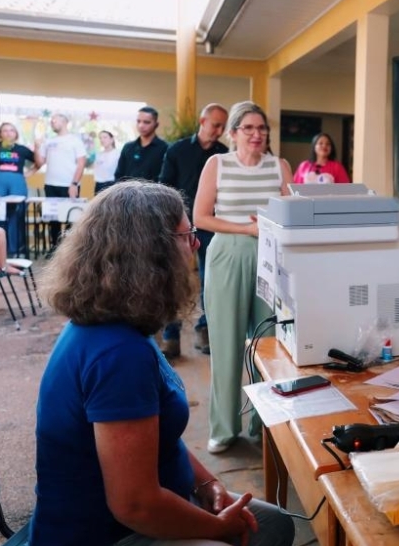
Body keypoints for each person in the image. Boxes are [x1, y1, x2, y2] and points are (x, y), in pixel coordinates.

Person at [27, 181, 294, 546]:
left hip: (140, 517)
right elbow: (135, 504)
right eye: (187, 235)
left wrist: (208, 486)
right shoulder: (119, 354)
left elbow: (155, 437)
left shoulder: (124, 325)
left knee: (275, 528)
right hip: (102, 545)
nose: (196, 243)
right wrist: (216, 527)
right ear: (150, 253)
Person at [193, 101, 292, 454]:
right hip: (228, 255)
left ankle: (262, 422)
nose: (256, 134)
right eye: (248, 128)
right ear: (233, 133)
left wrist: (268, 224)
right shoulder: (217, 164)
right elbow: (201, 217)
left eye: (262, 128)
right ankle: (224, 427)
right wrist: (246, 228)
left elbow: (290, 213)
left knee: (268, 341)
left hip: (271, 256)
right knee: (226, 343)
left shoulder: (279, 166)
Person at [159, 103, 229, 358]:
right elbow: (164, 186)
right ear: (202, 122)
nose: (219, 130)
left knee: (210, 281)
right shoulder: (177, 150)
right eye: (215, 125)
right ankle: (171, 336)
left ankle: (204, 329)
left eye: (223, 126)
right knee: (174, 279)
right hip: (179, 226)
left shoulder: (224, 156)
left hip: (210, 226)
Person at [34, 114, 87, 252]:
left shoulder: (75, 141)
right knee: (54, 219)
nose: (52, 122)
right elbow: (40, 162)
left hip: (69, 186)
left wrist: (74, 184)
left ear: (65, 122)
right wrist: (36, 147)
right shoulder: (48, 141)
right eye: (51, 121)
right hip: (51, 185)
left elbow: (81, 164)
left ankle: (70, 251)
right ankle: (55, 250)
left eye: (55, 120)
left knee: (71, 219)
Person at [0, 122, 37, 257]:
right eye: (5, 130)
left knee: (17, 215)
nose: (8, 133)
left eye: (11, 130)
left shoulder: (22, 149)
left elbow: (39, 161)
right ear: (0, 134)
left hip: (16, 183)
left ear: (16, 134)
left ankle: (15, 249)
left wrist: (29, 173)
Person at [115, 106, 169, 183]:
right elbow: (119, 175)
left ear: (156, 124)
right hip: (128, 193)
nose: (141, 125)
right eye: (138, 121)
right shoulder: (128, 147)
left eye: (146, 122)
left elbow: (166, 178)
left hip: (153, 194)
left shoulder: (165, 148)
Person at [92, 130, 120, 194]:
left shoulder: (117, 154)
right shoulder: (98, 154)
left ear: (112, 139)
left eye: (105, 137)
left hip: (112, 185)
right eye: (100, 138)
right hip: (98, 186)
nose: (102, 140)